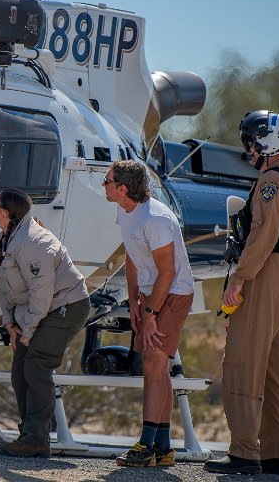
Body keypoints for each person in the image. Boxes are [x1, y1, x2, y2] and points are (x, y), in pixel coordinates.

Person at [204, 110, 279, 476]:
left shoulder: (270, 181)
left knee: (243, 363)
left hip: (262, 275)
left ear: (268, 141)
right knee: (274, 373)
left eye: (252, 139)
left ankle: (245, 453)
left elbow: (262, 235)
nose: (247, 146)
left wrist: (239, 280)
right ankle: (276, 454)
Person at [102, 160, 195, 468]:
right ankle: (162, 448)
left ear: (122, 188)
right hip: (151, 292)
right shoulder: (124, 211)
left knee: (153, 365)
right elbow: (132, 254)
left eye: (107, 181)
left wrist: (152, 311)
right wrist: (133, 299)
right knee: (158, 369)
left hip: (173, 292)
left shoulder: (155, 219)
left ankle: (145, 446)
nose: (103, 186)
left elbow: (168, 273)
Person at [0, 188, 91, 458]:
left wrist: (29, 330)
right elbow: (5, 286)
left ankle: (36, 440)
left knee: (36, 363)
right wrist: (9, 324)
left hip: (65, 306)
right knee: (19, 368)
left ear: (3, 212)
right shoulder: (7, 240)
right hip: (41, 309)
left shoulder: (34, 242)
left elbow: (42, 291)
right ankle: (29, 435)